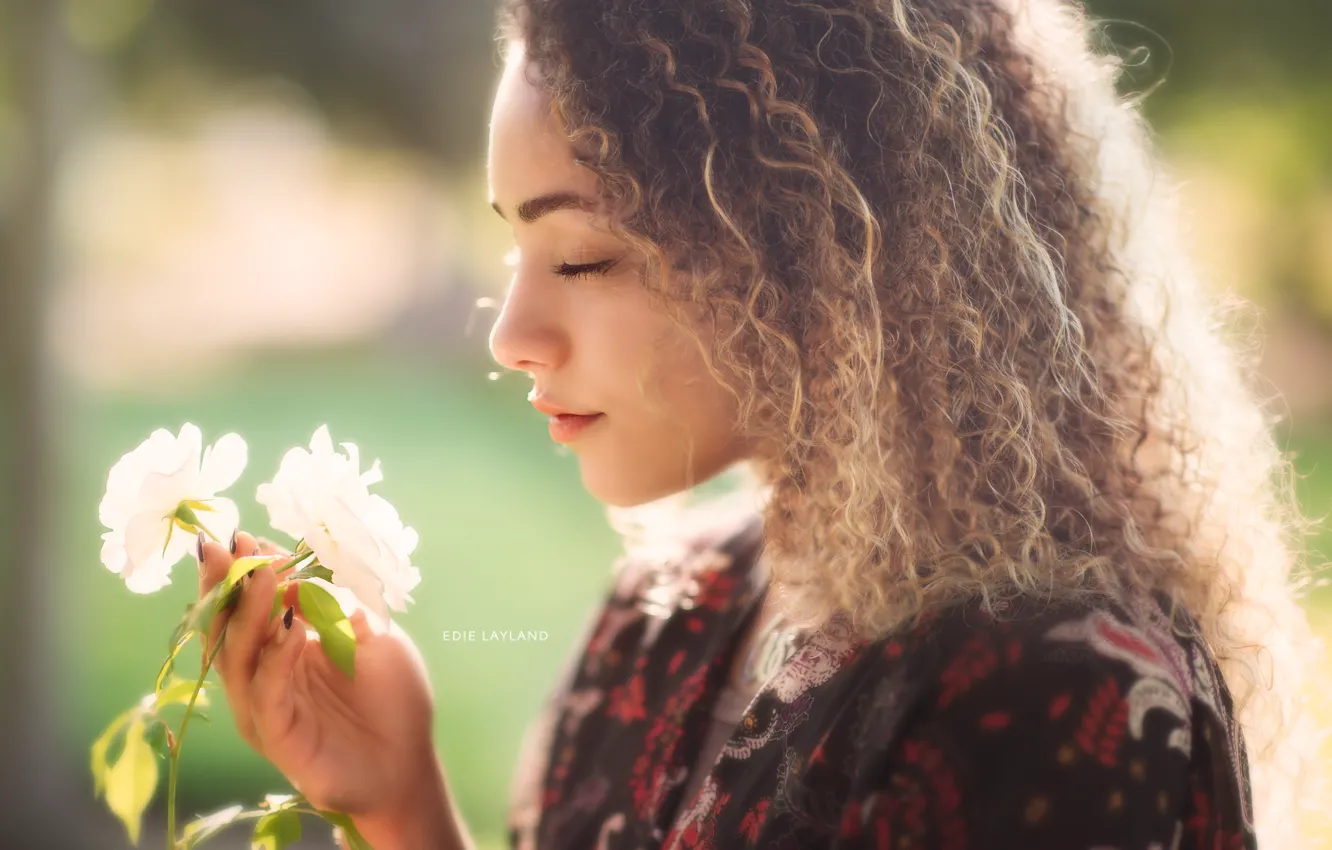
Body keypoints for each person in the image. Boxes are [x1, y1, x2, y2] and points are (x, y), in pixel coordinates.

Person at [196, 0, 1325, 847]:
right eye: (516, 248)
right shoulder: (670, 604)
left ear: (826, 247)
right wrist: (400, 803)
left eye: (583, 256)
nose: (511, 335)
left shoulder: (1058, 697)